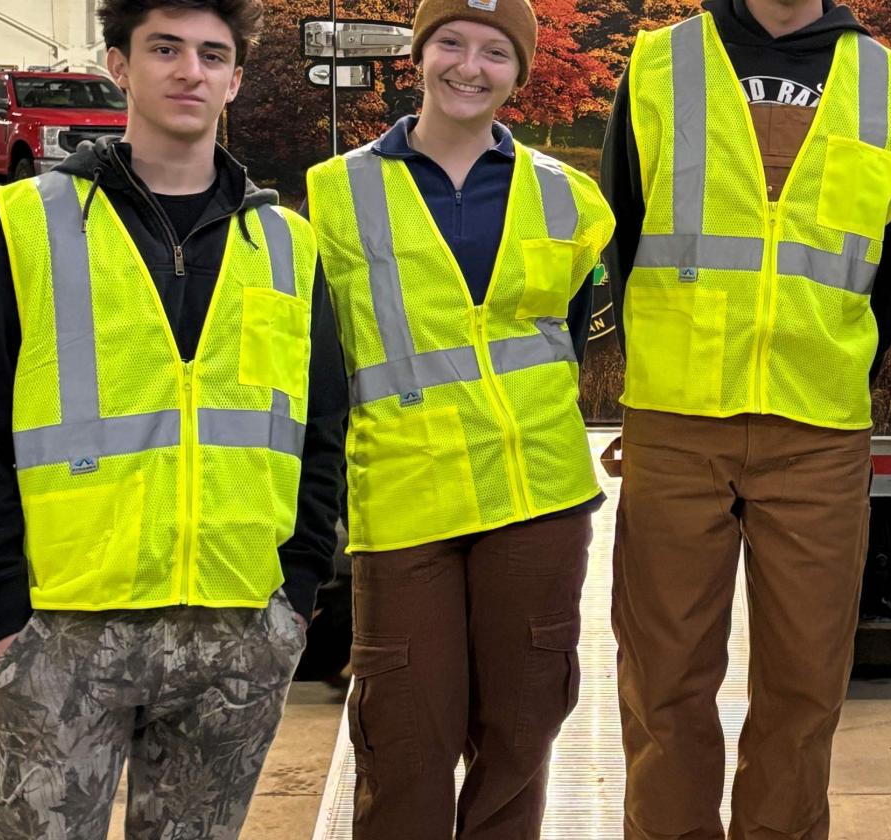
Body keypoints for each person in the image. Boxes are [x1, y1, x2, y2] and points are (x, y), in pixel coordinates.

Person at [0, 0, 348, 838]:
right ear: (119, 63)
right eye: (165, 48)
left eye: (211, 53)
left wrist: (296, 594)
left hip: (237, 631)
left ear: (234, 76)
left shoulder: (287, 246)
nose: (189, 70)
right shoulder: (30, 225)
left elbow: (321, 436)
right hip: (66, 630)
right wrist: (6, 612)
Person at [599, 0, 891, 835]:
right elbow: (624, 230)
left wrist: (821, 352)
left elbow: (886, 278)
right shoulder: (661, 63)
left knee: (805, 688)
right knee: (663, 681)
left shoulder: (889, 82)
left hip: (818, 429)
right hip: (677, 420)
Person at [304, 0, 614, 834]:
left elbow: (571, 345)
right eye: (450, 43)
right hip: (409, 502)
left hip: (537, 499)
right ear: (419, 56)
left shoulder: (569, 198)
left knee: (520, 735)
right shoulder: (336, 194)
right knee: (404, 740)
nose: (469, 67)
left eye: (494, 52)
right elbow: (325, 365)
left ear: (519, 71)